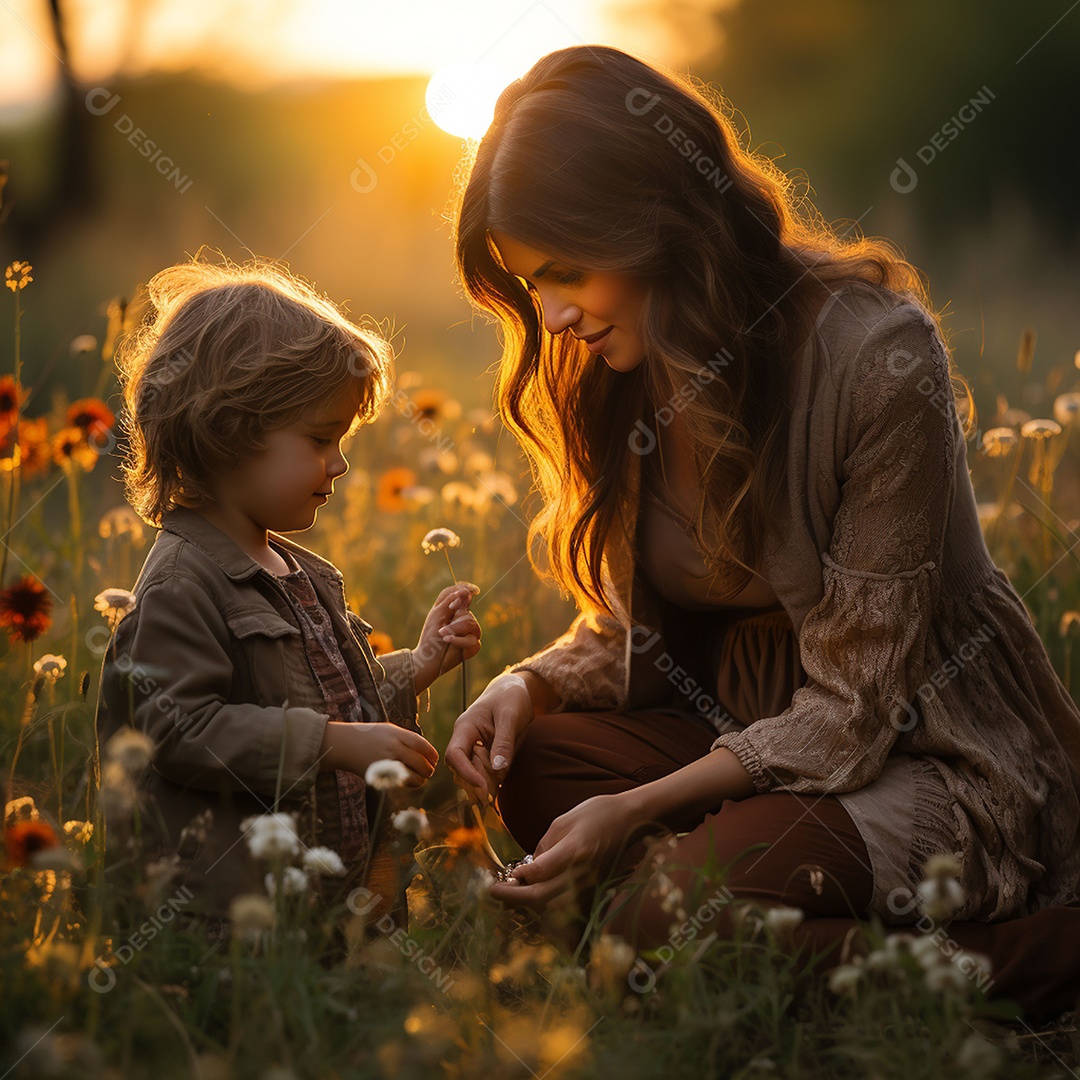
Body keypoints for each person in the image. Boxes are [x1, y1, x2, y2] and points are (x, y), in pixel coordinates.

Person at [446, 45, 1080, 1017]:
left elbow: (859, 706)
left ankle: (1037, 954)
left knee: (665, 917)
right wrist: (520, 685)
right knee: (531, 771)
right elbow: (630, 633)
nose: (557, 314)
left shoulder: (876, 358)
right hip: (735, 733)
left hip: (917, 748)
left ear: (655, 219)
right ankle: (743, 923)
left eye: (568, 271)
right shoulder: (623, 368)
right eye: (535, 284)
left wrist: (640, 808)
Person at [95, 257, 482, 941]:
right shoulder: (183, 582)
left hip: (316, 902)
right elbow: (172, 730)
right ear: (228, 430)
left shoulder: (297, 571)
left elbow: (332, 699)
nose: (340, 463)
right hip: (227, 927)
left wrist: (418, 664)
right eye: (319, 439)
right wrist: (329, 744)